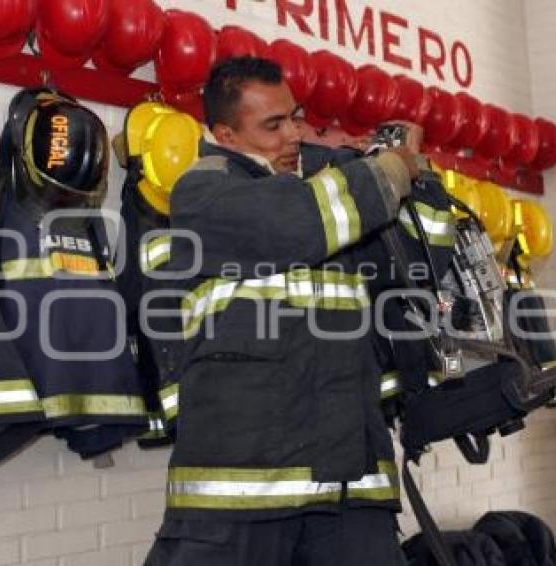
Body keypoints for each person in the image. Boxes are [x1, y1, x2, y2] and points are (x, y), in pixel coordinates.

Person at [143, 56, 416, 566]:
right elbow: (293, 225)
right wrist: (391, 168)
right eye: (272, 125)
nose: (292, 134)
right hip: (241, 494)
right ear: (225, 133)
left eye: (294, 117)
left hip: (348, 484)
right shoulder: (204, 194)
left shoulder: (325, 186)